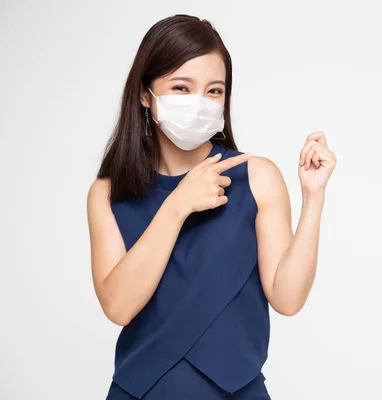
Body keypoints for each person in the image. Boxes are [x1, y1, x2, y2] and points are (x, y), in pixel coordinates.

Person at [86, 14, 336, 400]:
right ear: (144, 93)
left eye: (214, 91)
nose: (199, 103)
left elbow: (287, 299)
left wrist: (313, 197)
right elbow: (118, 307)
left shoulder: (256, 176)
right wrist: (177, 205)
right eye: (181, 87)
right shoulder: (108, 193)